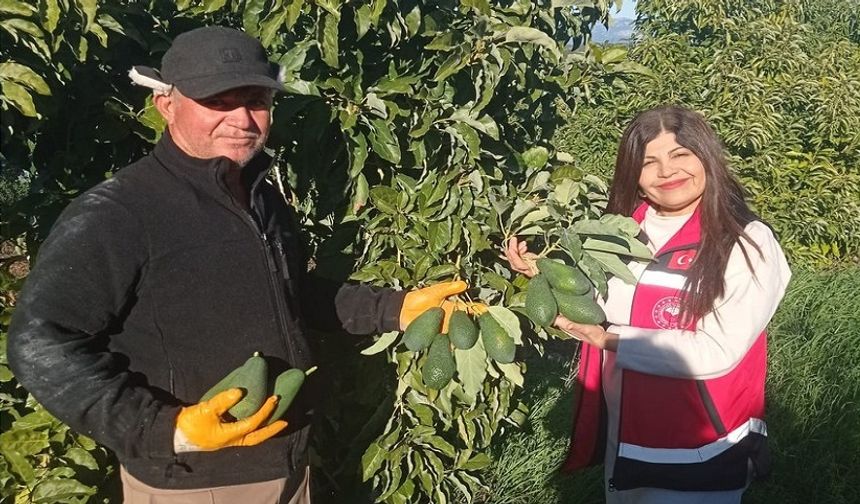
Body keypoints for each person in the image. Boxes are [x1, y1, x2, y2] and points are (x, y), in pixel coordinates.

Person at [7, 26, 469, 503]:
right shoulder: (120, 213)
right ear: (166, 104)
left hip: (284, 459)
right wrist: (163, 428)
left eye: (255, 100)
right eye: (219, 101)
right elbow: (40, 340)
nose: (243, 119)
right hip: (196, 480)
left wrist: (397, 309)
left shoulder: (258, 196)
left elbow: (291, 296)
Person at [506, 105, 791, 503]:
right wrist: (545, 272)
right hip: (627, 431)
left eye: (680, 155)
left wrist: (609, 340)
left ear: (706, 157)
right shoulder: (619, 231)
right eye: (649, 162)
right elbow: (594, 294)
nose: (666, 172)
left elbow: (715, 351)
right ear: (633, 175)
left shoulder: (747, 242)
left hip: (701, 443)